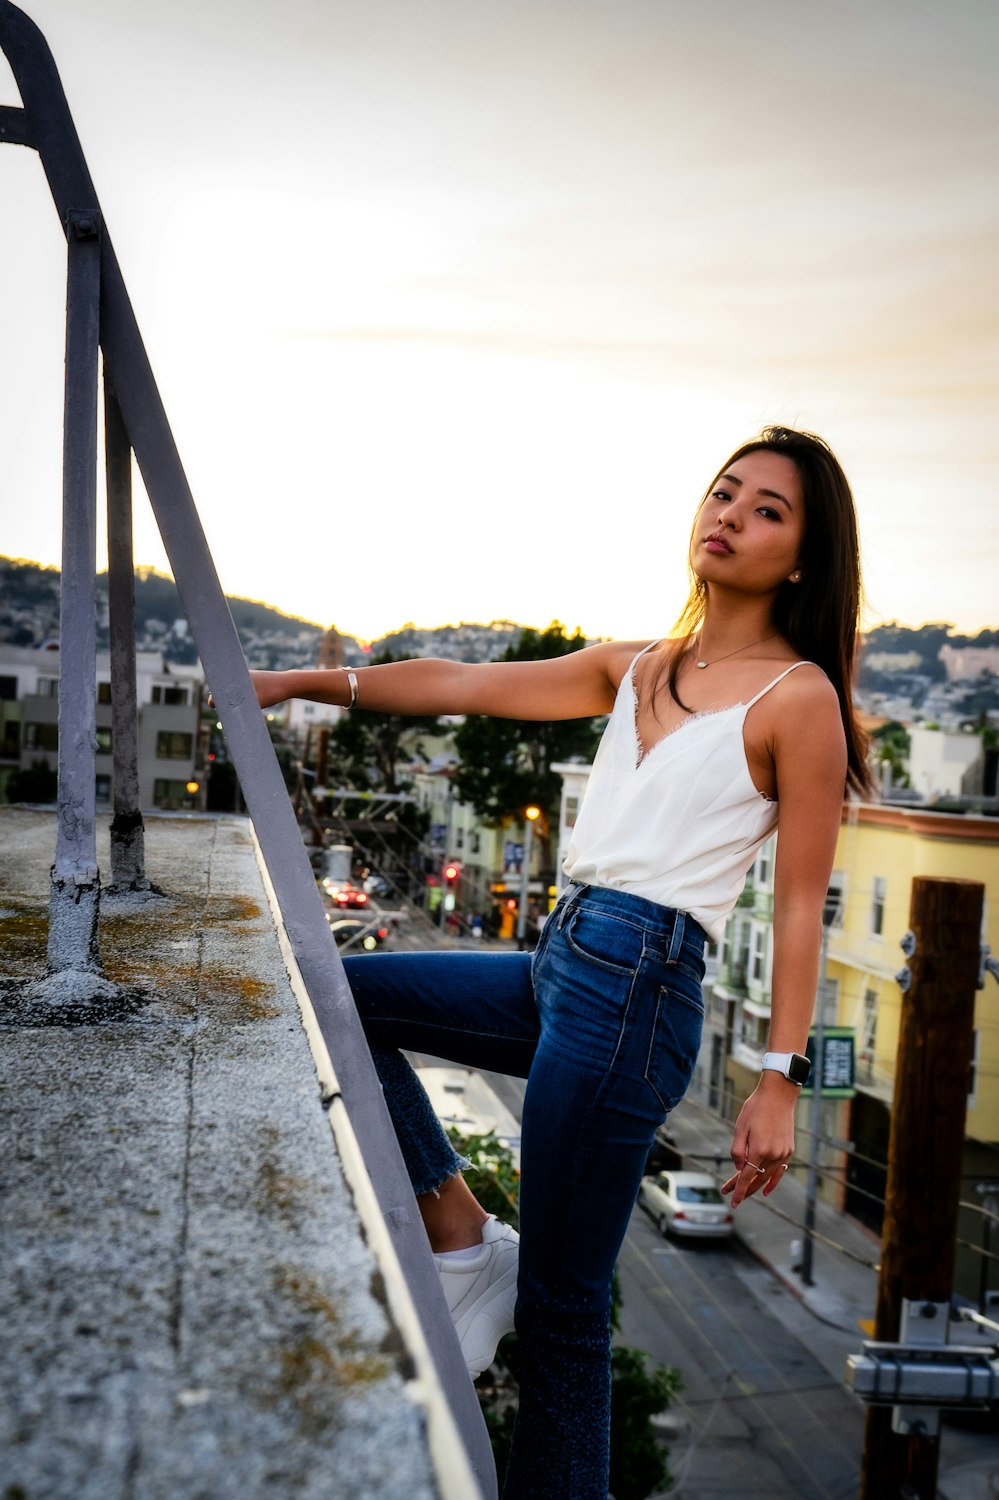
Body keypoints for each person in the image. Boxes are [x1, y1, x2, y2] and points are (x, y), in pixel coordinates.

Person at [250, 426, 870, 1500]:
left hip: (643, 987)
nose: (728, 514)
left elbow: (803, 907)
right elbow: (464, 683)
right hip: (563, 958)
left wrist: (777, 1078)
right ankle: (460, 1229)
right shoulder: (636, 667)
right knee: (331, 996)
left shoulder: (800, 700)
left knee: (565, 1324)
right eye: (723, 492)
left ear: (805, 558)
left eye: (767, 508)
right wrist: (291, 682)